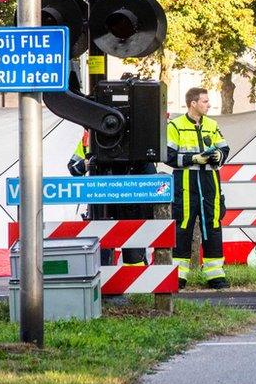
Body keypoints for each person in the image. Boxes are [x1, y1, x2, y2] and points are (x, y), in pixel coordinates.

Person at [166, 87, 231, 289]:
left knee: (212, 224)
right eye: (204, 101)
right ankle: (179, 275)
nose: (208, 104)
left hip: (209, 180)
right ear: (193, 103)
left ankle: (215, 275)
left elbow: (224, 148)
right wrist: (193, 158)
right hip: (186, 182)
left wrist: (219, 155)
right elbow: (168, 156)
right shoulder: (174, 126)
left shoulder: (212, 124)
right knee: (183, 225)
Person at [68, 128, 156, 267]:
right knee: (103, 249)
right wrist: (87, 163)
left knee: (133, 250)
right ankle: (104, 283)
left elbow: (150, 175)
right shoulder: (90, 140)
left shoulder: (134, 141)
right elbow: (73, 168)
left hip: (130, 203)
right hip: (102, 204)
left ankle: (134, 283)